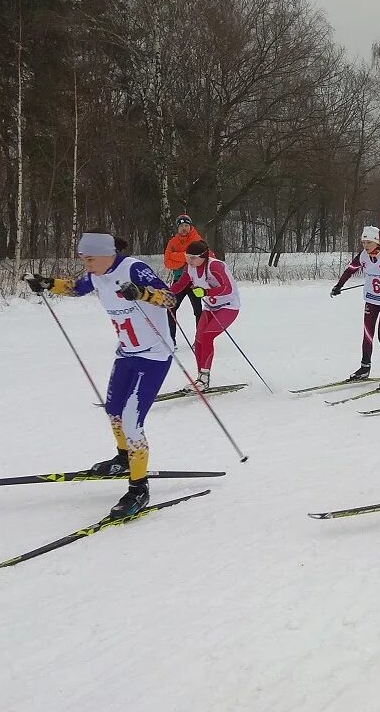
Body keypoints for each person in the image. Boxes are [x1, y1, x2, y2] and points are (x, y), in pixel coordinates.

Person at [24, 230, 175, 519]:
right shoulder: (95, 275)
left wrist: (143, 293)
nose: (86, 263)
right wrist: (47, 284)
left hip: (154, 355)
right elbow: (75, 288)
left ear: (107, 255)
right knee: (114, 411)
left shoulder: (133, 268)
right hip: (127, 353)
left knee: (132, 423)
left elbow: (169, 300)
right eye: (83, 258)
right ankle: (123, 459)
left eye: (90, 258)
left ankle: (138, 489)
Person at [331, 226, 380, 386]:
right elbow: (350, 270)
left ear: (376, 242)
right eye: (363, 242)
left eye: (368, 242)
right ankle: (365, 368)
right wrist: (339, 286)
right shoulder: (363, 255)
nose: (365, 245)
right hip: (371, 298)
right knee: (367, 334)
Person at [168, 240, 239, 392]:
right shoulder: (189, 267)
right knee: (199, 339)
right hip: (210, 306)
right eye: (187, 257)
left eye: (193, 258)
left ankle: (204, 377)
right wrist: (164, 295)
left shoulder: (215, 266)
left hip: (229, 306)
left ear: (203, 256)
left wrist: (206, 292)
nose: (189, 261)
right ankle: (201, 378)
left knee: (207, 337)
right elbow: (180, 285)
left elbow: (228, 288)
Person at [164, 215, 203, 328]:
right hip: (178, 280)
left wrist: (175, 256)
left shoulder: (197, 240)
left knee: (198, 310)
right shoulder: (173, 242)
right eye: (181, 226)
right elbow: (167, 262)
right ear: (177, 228)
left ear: (191, 226)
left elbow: (200, 259)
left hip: (194, 281)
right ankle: (171, 340)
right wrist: (184, 259)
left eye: (186, 225)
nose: (184, 228)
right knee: (171, 309)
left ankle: (199, 340)